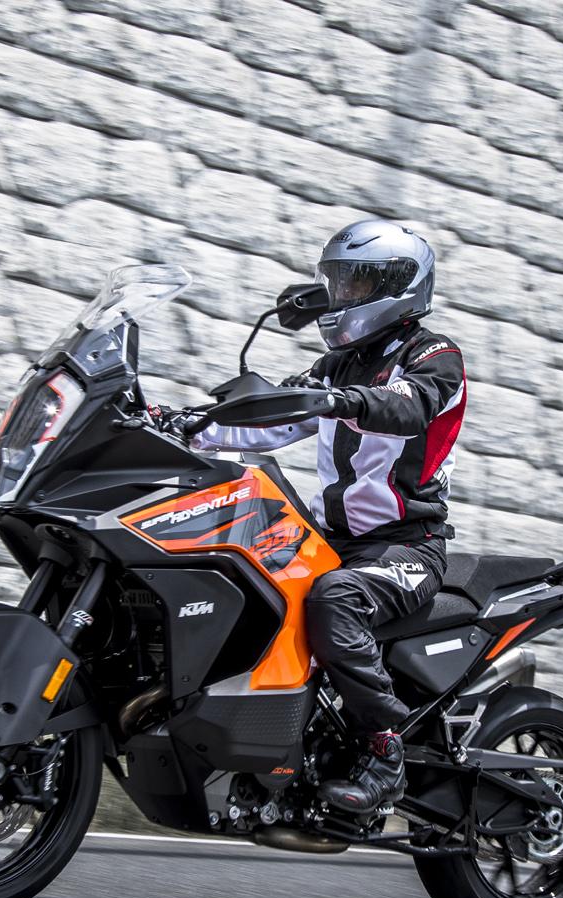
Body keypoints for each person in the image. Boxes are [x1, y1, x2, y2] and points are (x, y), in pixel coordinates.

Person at [161, 219, 466, 814]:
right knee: (247, 581)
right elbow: (273, 420)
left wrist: (340, 400)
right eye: (338, 282)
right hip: (337, 541)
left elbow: (409, 406)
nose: (342, 295)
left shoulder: (434, 355)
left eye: (357, 284)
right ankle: (271, 745)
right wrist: (185, 424)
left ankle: (386, 752)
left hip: (407, 547)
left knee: (334, 599)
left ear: (398, 287)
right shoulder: (338, 365)